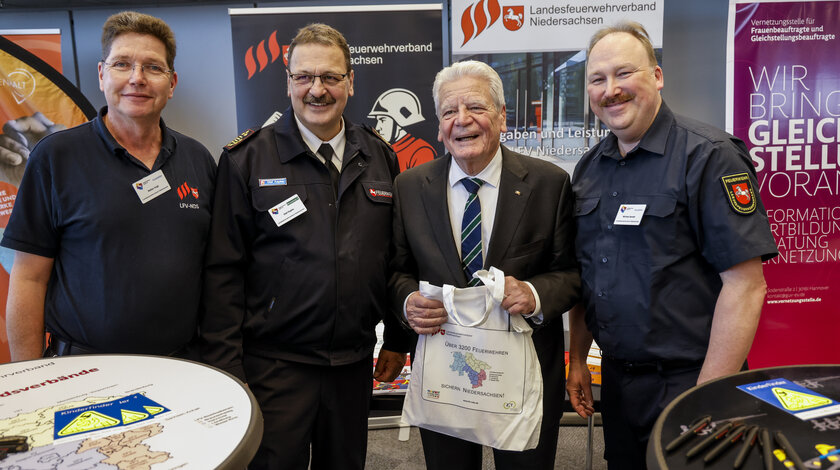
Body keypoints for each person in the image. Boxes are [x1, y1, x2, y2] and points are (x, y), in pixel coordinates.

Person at [565, 21, 778, 469]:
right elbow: (587, 276)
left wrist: (707, 397)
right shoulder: (589, 169)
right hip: (618, 384)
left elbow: (746, 286)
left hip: (691, 380)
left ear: (657, 76)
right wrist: (579, 358)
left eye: (624, 73)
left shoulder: (710, 155)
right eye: (597, 79)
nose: (611, 90)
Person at [200, 23, 410, 470]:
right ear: (288, 82)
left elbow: (395, 257)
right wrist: (226, 367)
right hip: (274, 367)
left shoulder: (380, 156)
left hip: (353, 364)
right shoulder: (246, 159)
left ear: (351, 82)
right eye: (304, 77)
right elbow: (223, 272)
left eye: (331, 77)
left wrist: (396, 338)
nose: (317, 89)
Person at [390, 60, 580, 470]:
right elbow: (396, 270)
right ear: (439, 126)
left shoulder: (548, 184)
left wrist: (533, 294)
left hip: (523, 378)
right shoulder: (409, 187)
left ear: (502, 117)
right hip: (446, 376)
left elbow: (571, 273)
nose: (462, 120)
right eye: (449, 112)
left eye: (475, 107)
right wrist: (407, 301)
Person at [1, 11, 215, 361]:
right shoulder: (55, 157)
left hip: (184, 365)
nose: (137, 78)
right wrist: (30, 378)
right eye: (122, 64)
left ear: (172, 83)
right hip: (87, 368)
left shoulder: (198, 159)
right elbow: (28, 279)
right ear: (102, 75)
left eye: (153, 67)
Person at [367, 87, 437, 170]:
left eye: (382, 120)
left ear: (400, 121)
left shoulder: (421, 151)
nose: (377, 127)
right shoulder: (382, 151)